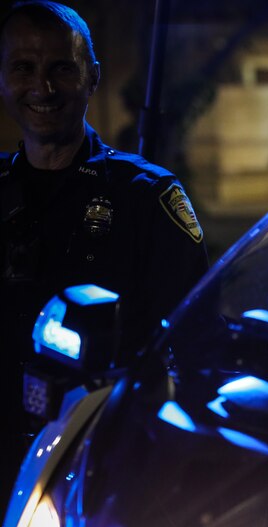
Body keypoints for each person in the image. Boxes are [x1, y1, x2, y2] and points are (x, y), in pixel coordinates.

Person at [0, 2, 209, 488]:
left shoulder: (144, 194)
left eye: (61, 69)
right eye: (23, 69)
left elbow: (197, 337)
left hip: (103, 466)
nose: (42, 87)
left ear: (92, 77)